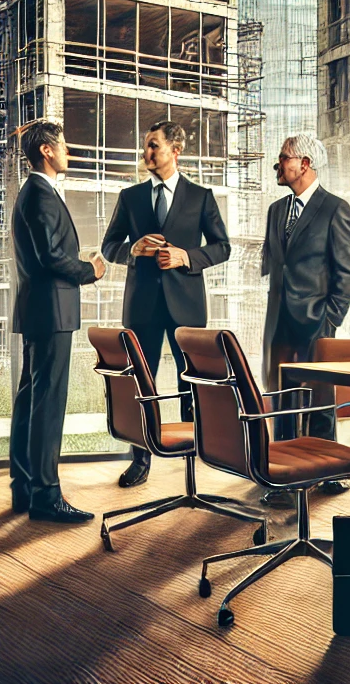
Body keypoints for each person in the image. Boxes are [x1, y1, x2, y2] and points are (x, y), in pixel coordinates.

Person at [99, 120, 232, 488]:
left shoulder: (201, 196)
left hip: (186, 307)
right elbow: (110, 246)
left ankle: (197, 455)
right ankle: (140, 458)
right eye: (146, 147)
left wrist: (185, 257)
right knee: (142, 383)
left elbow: (222, 247)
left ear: (176, 151)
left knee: (192, 382)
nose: (146, 154)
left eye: (153, 146)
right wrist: (133, 250)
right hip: (142, 307)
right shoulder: (131, 198)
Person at [9, 119, 107, 523]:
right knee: (47, 405)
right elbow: (51, 257)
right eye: (63, 145)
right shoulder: (41, 194)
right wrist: (90, 271)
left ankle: (25, 488)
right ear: (46, 151)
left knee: (30, 401)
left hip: (40, 311)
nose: (68, 151)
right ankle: (46, 496)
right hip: (51, 312)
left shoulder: (32, 193)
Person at [261, 132, 350, 471]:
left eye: (284, 158)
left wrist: (329, 319)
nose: (277, 164)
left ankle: (327, 468)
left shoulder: (335, 209)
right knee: (282, 398)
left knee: (320, 399)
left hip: (317, 321)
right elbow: (275, 263)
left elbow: (347, 272)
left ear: (305, 164)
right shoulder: (276, 211)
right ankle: (286, 469)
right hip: (279, 322)